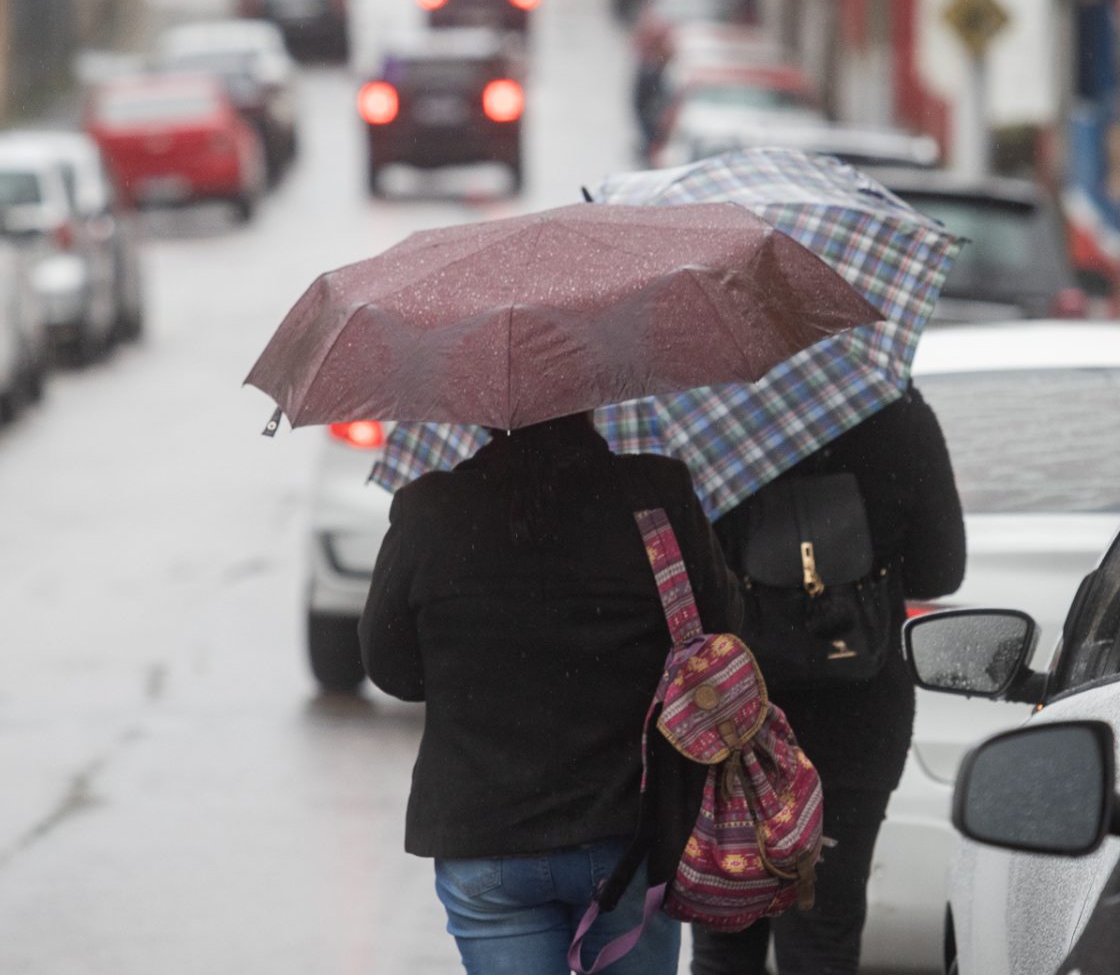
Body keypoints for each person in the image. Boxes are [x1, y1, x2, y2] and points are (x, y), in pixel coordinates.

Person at [361, 412, 743, 975]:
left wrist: (468, 672)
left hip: (486, 834)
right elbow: (720, 632)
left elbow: (391, 668)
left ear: (483, 413)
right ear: (589, 401)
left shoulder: (430, 509)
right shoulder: (655, 493)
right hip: (632, 830)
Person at [692, 385, 965, 975]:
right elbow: (941, 569)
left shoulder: (706, 415)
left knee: (725, 938)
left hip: (734, 713)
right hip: (856, 716)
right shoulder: (890, 409)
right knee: (824, 933)